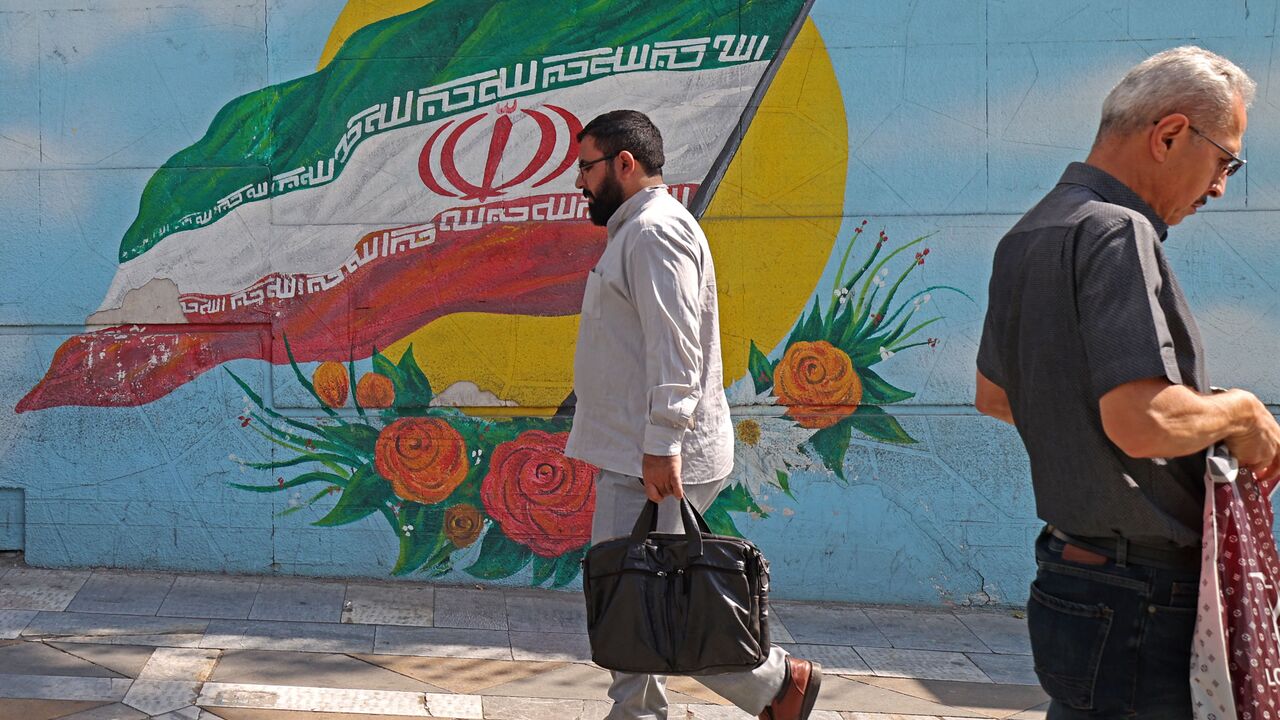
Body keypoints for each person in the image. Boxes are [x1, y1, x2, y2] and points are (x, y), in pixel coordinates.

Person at [975, 46, 1280, 718]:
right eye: (1226, 159)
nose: (1222, 185)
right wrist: (1242, 414)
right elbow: (1144, 422)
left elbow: (995, 395)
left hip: (1070, 575)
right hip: (1140, 592)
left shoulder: (1030, 232)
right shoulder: (1118, 231)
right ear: (1170, 134)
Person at [563, 109, 822, 720]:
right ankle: (773, 686)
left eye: (586, 166)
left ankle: (774, 683)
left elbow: (677, 344)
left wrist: (663, 440)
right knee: (642, 599)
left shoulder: (654, 231)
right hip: (638, 451)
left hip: (650, 456)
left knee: (642, 598)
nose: (578, 182)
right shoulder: (638, 230)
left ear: (624, 164)